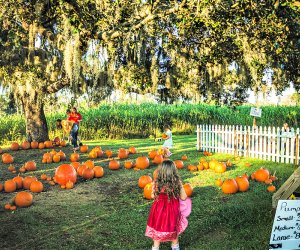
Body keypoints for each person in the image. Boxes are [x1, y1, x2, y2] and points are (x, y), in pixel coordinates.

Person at [145, 160, 188, 250]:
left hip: (158, 210)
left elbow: (152, 196)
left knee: (158, 227)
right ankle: (175, 247)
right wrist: (180, 187)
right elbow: (184, 197)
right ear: (174, 171)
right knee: (173, 228)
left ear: (160, 171)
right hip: (173, 210)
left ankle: (155, 247)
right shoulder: (177, 183)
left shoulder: (157, 183)